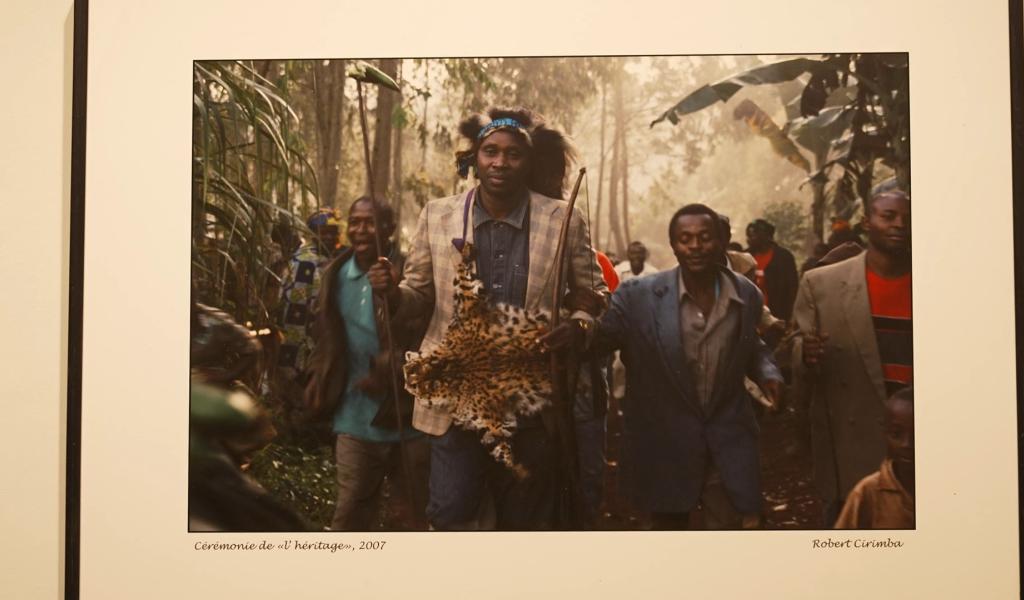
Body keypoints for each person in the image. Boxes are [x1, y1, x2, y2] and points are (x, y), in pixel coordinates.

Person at [368, 107, 607, 530]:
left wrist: (579, 322)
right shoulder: (439, 215)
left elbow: (592, 291)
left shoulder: (561, 219)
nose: (500, 162)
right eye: (490, 152)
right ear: (474, 159)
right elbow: (418, 296)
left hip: (531, 398)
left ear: (529, 162)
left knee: (525, 516)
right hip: (456, 393)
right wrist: (392, 292)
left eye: (513, 154)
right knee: (451, 511)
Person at [594, 204, 783, 529]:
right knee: (669, 532)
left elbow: (750, 344)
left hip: (726, 438)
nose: (695, 246)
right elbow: (599, 338)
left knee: (726, 531)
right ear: (673, 245)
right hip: (666, 438)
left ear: (720, 242)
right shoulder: (639, 296)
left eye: (705, 238)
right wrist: (581, 322)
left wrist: (769, 372)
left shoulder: (746, 294)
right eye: (685, 239)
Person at [303, 197, 430, 531]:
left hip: (408, 420)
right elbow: (326, 334)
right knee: (351, 512)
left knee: (411, 516)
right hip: (354, 418)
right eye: (355, 222)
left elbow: (426, 336)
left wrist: (391, 368)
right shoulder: (335, 274)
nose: (360, 230)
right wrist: (319, 375)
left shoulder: (410, 275)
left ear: (388, 229)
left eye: (370, 223)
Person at [792, 185, 912, 525]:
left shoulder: (939, 280)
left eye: (907, 218)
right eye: (888, 216)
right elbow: (799, 357)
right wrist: (806, 354)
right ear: (866, 222)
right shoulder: (822, 284)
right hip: (852, 445)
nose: (899, 224)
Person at [834, 386, 914, 529]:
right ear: (884, 433)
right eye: (896, 434)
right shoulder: (868, 491)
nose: (907, 444)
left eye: (917, 434)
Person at [278, 209, 341, 389]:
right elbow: (295, 309)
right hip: (302, 335)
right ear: (313, 234)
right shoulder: (305, 260)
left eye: (333, 233)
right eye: (324, 233)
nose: (329, 237)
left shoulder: (327, 257)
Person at [745, 218, 799, 321]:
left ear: (766, 236)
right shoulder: (745, 256)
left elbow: (792, 288)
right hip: (751, 316)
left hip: (777, 315)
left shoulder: (783, 257)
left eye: (753, 235)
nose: (749, 239)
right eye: (748, 236)